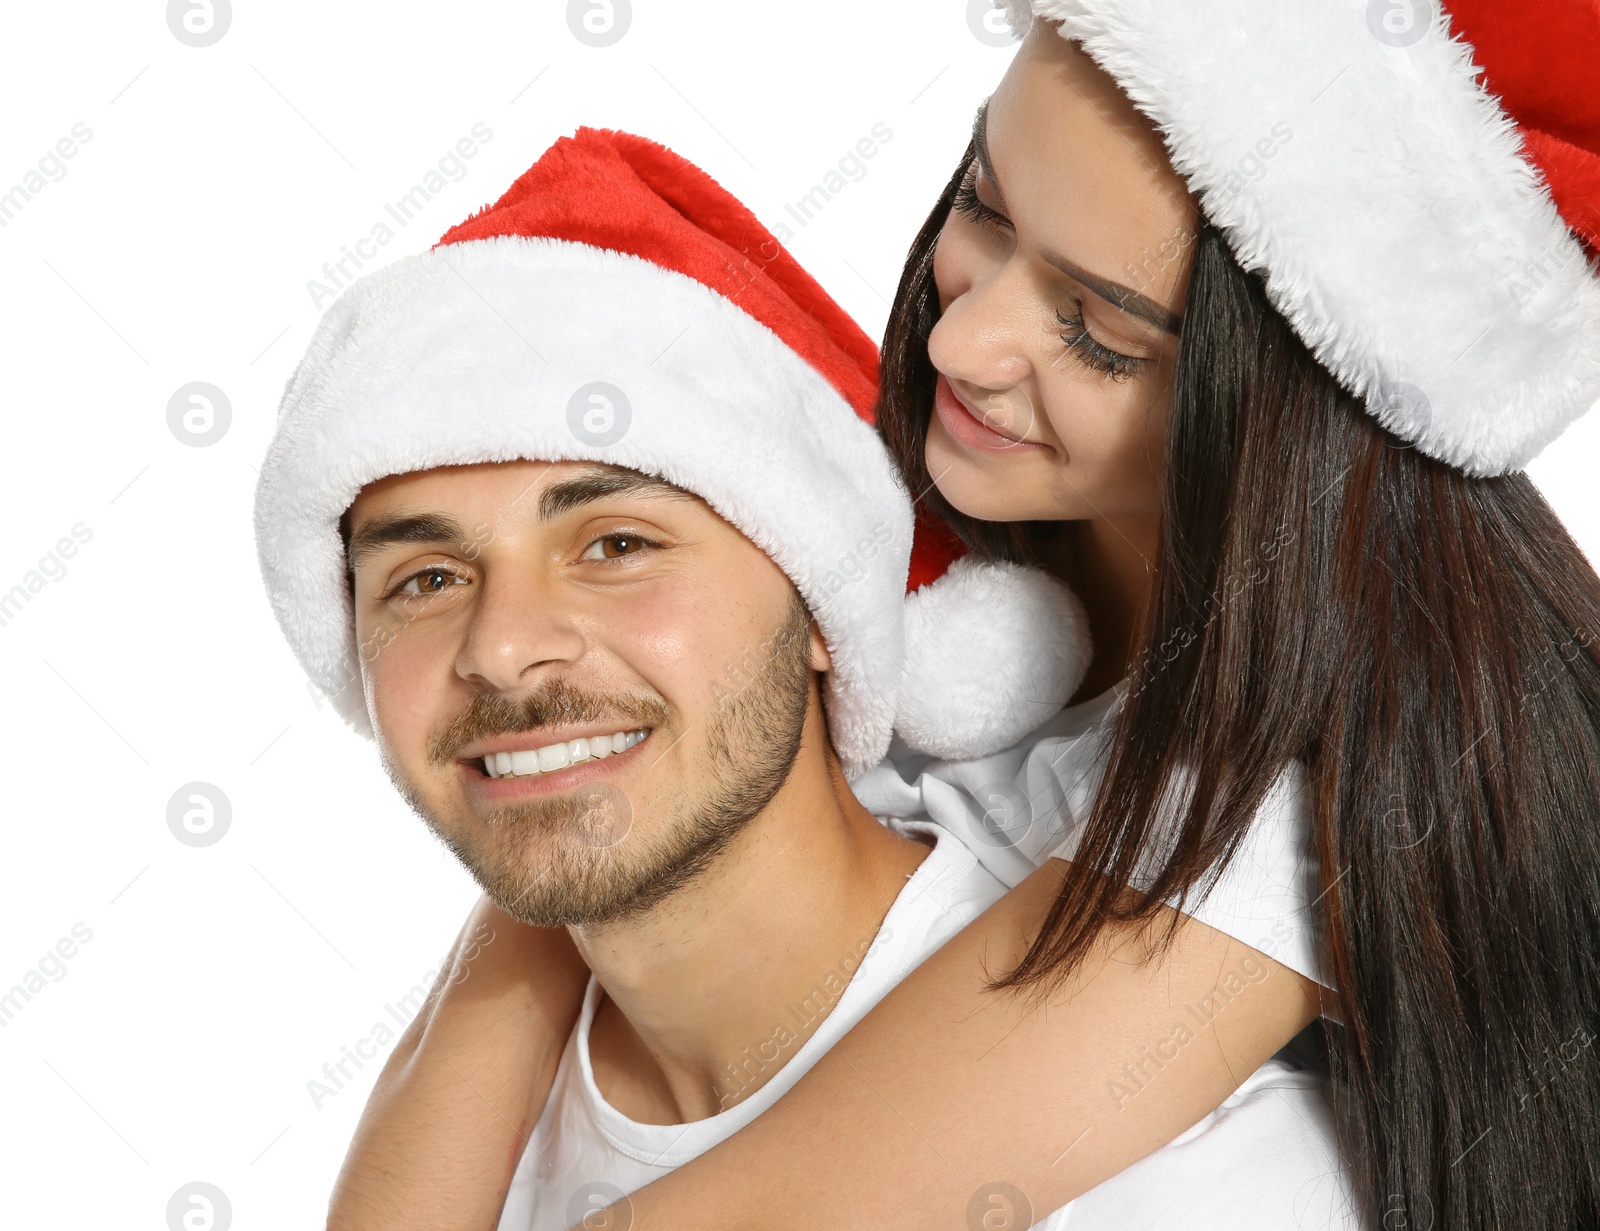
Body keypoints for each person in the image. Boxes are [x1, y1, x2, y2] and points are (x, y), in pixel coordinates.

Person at [265, 0, 1600, 1225]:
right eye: (986, 207)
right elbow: (567, 888)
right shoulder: (923, 545)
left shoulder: (1306, 803)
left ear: (1291, 415)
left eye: (1101, 334)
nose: (962, 345)